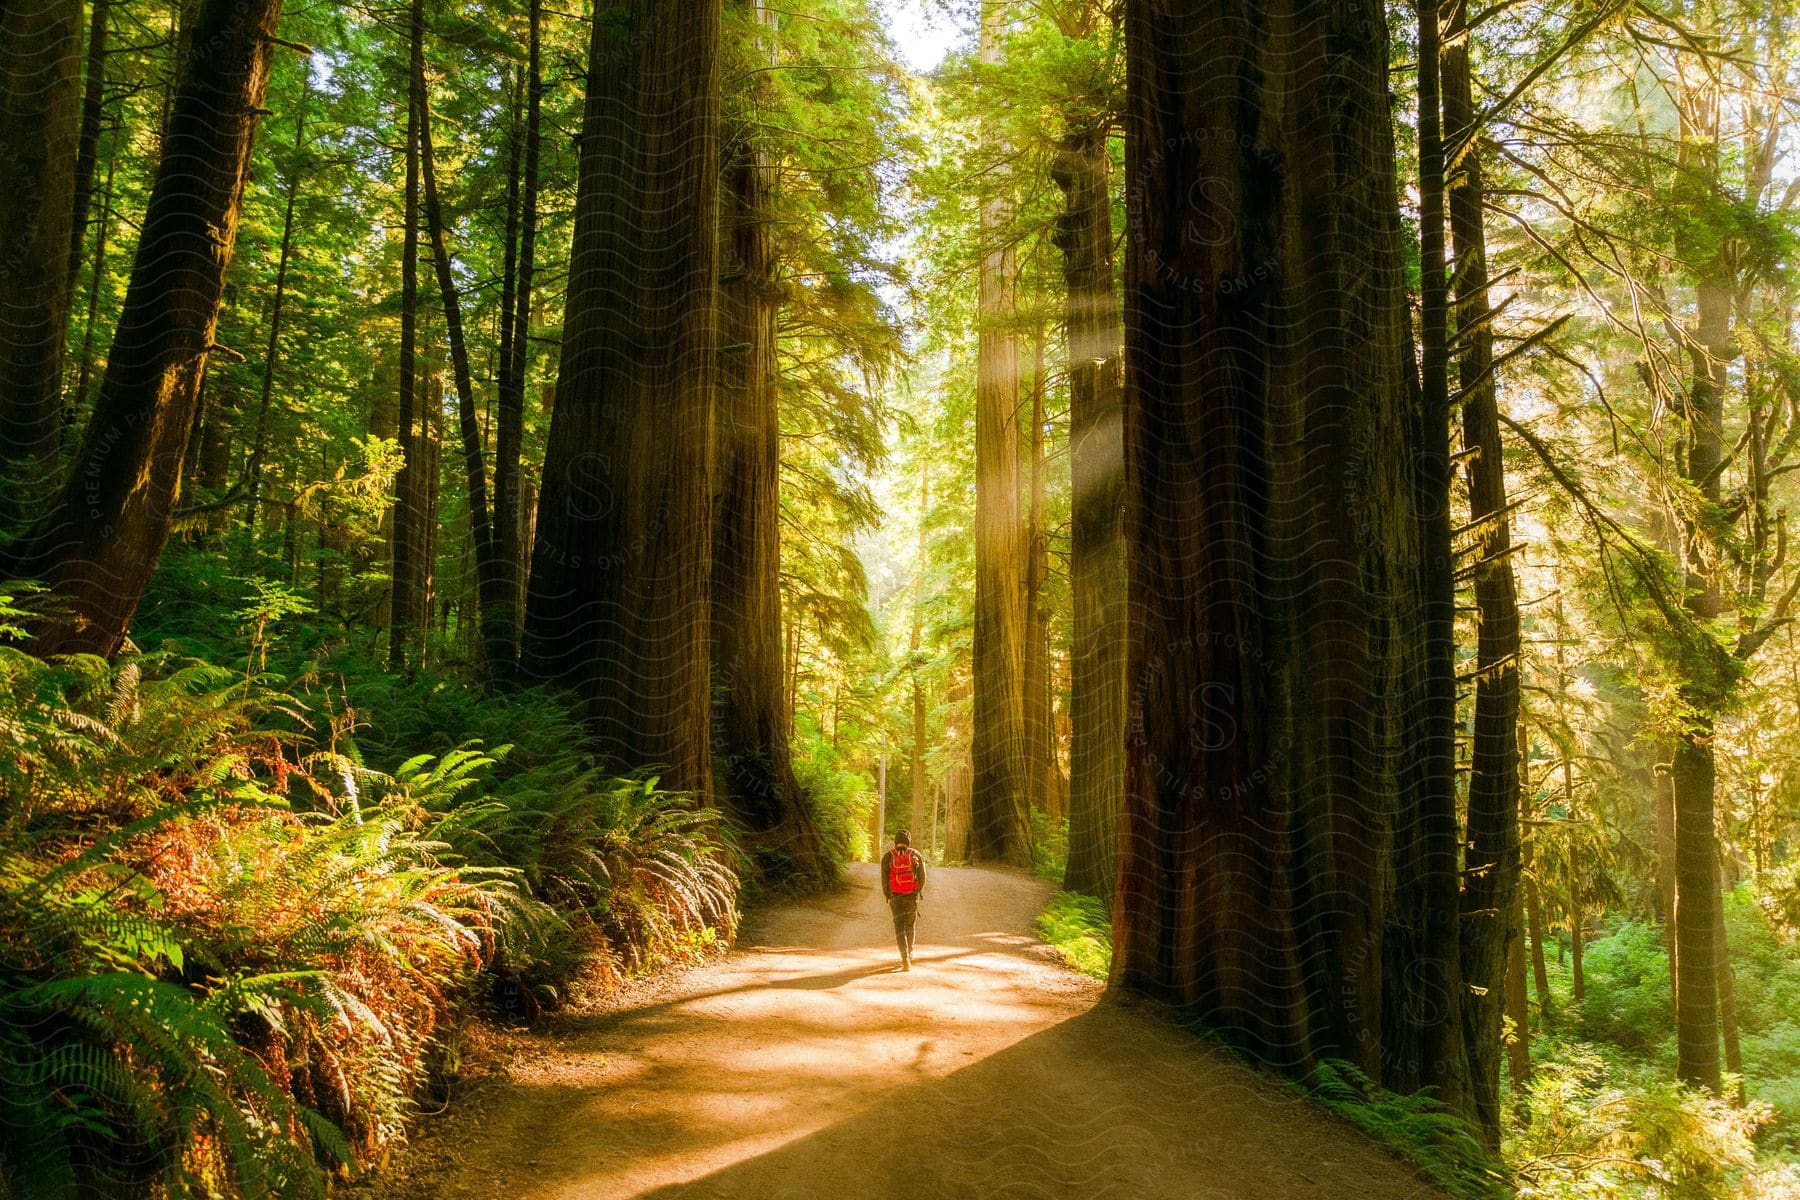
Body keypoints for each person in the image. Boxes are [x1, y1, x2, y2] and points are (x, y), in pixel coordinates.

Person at [880, 830, 926, 971]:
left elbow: (884, 880)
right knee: (910, 925)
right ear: (908, 841)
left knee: (899, 928)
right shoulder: (915, 855)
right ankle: (910, 951)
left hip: (895, 897)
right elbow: (922, 877)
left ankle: (905, 959)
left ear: (895, 841)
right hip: (911, 896)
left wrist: (888, 895)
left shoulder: (888, 856)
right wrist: (917, 891)